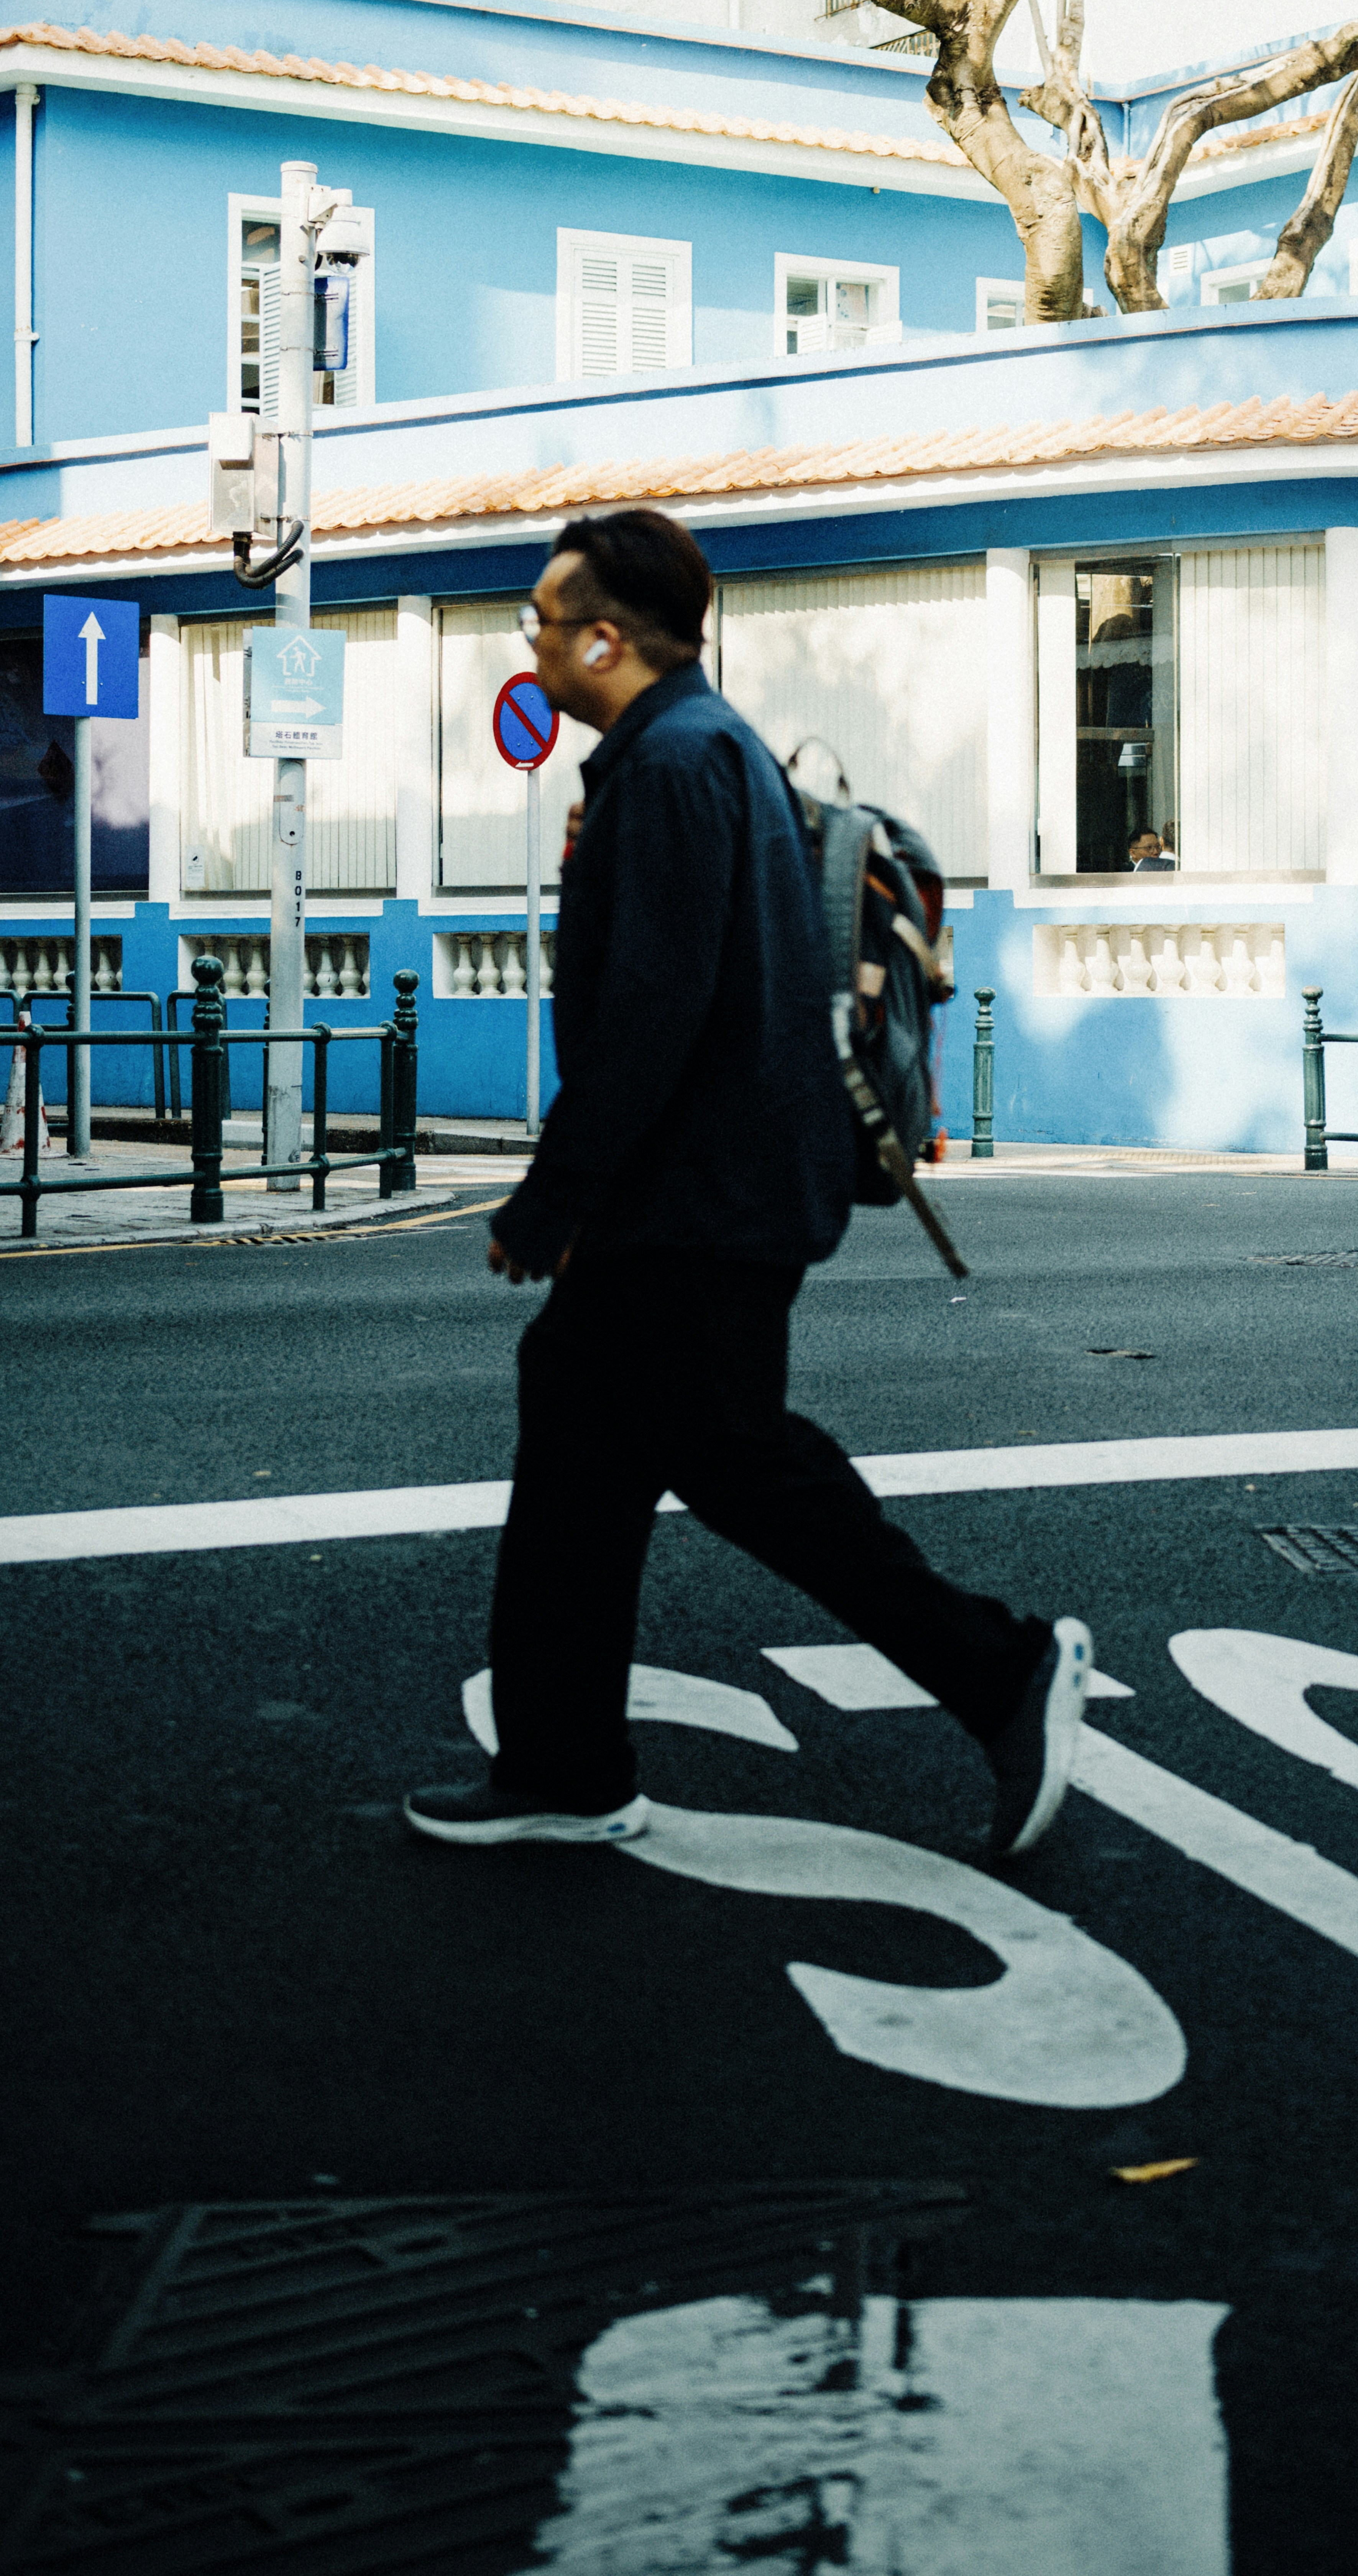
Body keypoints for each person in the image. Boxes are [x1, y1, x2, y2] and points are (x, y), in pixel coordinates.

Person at [403, 507, 1091, 1859]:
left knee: (734, 1460)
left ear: (605, 638)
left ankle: (999, 1668)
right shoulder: (707, 750)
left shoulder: (669, 769)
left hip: (695, 1202)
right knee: (613, 1449)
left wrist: (554, 1200)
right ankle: (565, 1764)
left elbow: (656, 1009)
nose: (532, 639)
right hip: (726, 1190)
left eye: (545, 618)